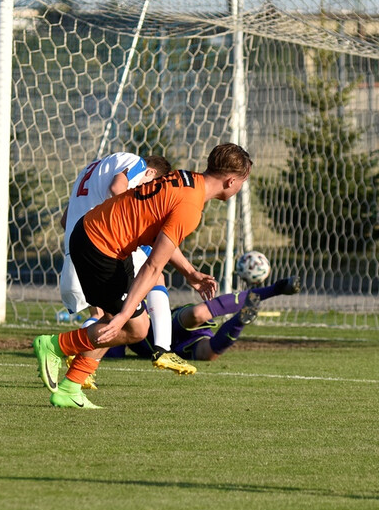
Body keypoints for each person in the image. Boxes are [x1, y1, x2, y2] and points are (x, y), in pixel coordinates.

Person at [32, 142, 253, 409]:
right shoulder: (191, 207)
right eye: (242, 182)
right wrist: (126, 314)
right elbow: (152, 267)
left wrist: (191, 273)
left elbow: (161, 241)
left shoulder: (186, 178)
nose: (239, 188)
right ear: (231, 181)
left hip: (102, 239)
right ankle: (56, 345)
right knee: (135, 327)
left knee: (122, 321)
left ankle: (70, 387)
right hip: (100, 246)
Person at [55, 151, 195, 386]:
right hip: (103, 247)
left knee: (104, 317)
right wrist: (136, 213)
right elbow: (117, 187)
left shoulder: (89, 171)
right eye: (150, 186)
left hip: (74, 255)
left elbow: (64, 220)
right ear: (150, 173)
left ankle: (81, 372)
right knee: (156, 276)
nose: (148, 193)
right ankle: (162, 348)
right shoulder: (135, 163)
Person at [102, 275, 301, 362]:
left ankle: (274, 289)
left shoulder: (137, 306)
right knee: (208, 354)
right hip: (178, 349)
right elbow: (114, 353)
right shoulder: (124, 326)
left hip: (168, 326)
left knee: (197, 314)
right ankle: (240, 320)